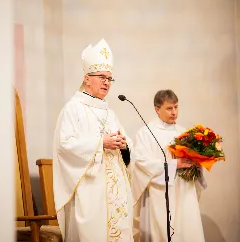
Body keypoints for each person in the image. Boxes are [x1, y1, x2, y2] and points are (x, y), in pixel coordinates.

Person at [52, 38, 134, 242]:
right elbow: (65, 146)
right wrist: (101, 143)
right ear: (87, 78)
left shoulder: (110, 113)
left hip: (115, 196)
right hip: (90, 193)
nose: (107, 82)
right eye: (102, 77)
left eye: (110, 78)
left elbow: (127, 146)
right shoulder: (73, 108)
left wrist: (124, 145)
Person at [131, 89, 206, 242]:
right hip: (160, 194)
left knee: (187, 231)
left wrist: (197, 166)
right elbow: (141, 164)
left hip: (185, 192)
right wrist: (173, 165)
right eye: (169, 108)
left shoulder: (184, 133)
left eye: (176, 107)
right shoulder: (146, 133)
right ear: (157, 109)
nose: (174, 112)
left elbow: (192, 162)